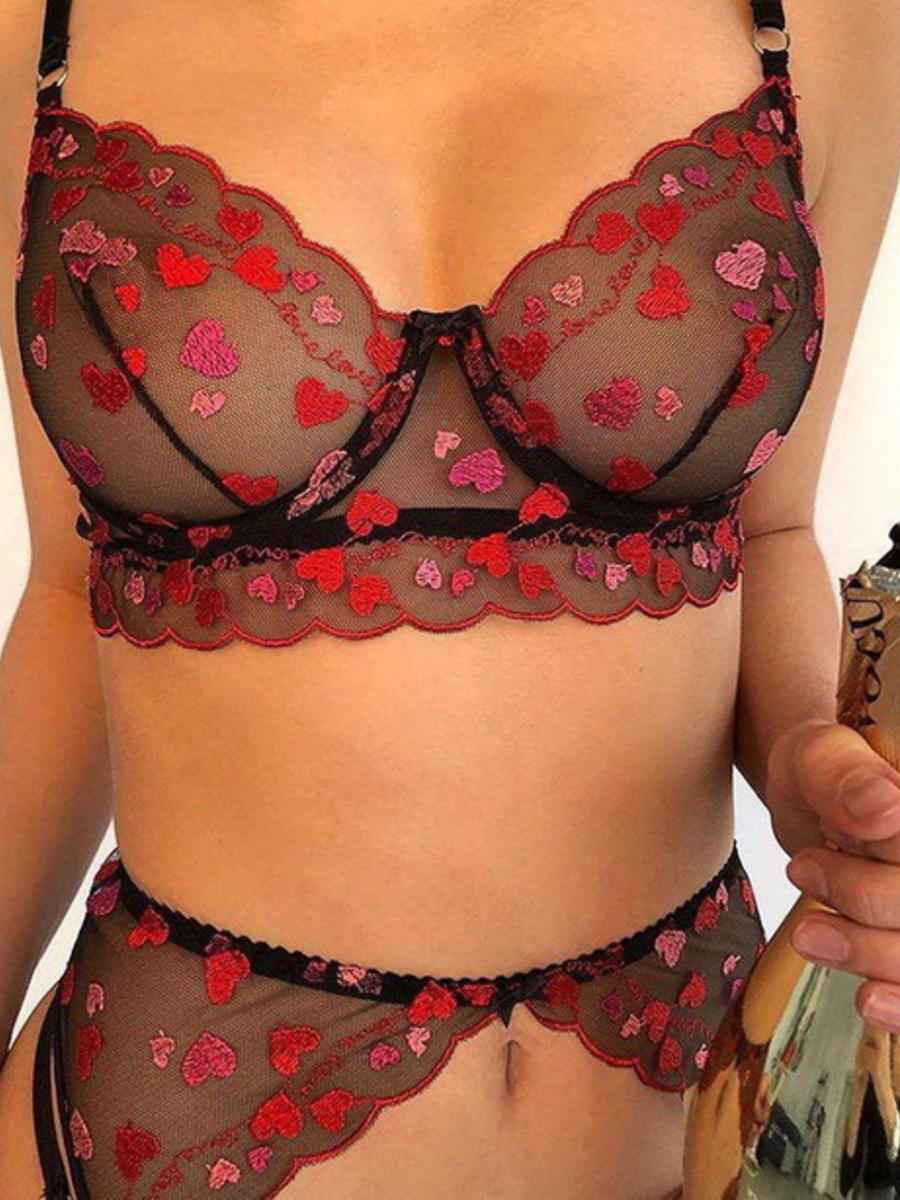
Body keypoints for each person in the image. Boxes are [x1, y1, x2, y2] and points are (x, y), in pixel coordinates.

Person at [0, 1, 898, 1196]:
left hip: (705, 1109)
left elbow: (769, 530)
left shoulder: (827, 20)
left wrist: (806, 765)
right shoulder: (36, 28)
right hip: (168, 1107)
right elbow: (74, 590)